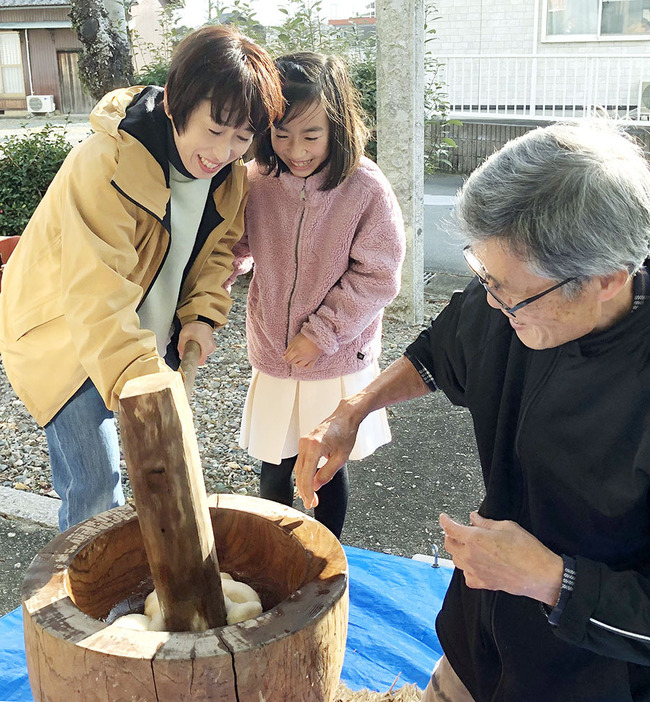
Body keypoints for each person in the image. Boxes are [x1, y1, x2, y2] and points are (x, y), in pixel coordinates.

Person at [294, 121, 650, 700]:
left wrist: (553, 581)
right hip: (476, 639)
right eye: (482, 275)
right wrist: (353, 410)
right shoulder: (514, 297)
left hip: (589, 674)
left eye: (507, 290)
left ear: (606, 280)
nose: (490, 301)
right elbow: (442, 349)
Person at [0, 25, 283, 532]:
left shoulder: (229, 176)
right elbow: (96, 293)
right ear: (176, 103)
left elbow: (218, 254)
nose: (222, 151)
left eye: (243, 138)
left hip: (145, 336)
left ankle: (139, 583)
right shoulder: (106, 162)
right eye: (214, 130)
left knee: (156, 476)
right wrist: (151, 386)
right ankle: (92, 601)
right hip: (68, 337)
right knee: (96, 487)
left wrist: (200, 317)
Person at [229, 52, 405, 539]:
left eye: (311, 135)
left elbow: (378, 275)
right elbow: (234, 247)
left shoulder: (364, 186)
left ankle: (327, 558)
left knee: (325, 468)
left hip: (333, 355)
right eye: (281, 135)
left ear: (339, 125)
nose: (296, 150)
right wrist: (209, 292)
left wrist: (320, 333)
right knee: (274, 464)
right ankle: (274, 553)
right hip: (274, 352)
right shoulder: (257, 180)